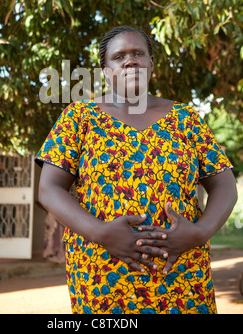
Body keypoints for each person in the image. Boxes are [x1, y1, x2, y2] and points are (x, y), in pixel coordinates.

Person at [35, 25, 237, 314]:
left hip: (182, 272)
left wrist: (199, 232)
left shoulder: (186, 119)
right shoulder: (79, 117)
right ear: (105, 70)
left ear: (151, 64)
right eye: (119, 57)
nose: (131, 61)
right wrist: (101, 233)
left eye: (139, 53)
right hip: (103, 273)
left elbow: (224, 185)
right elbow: (49, 188)